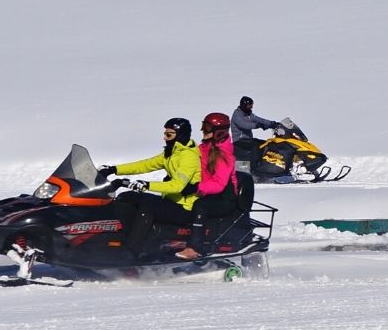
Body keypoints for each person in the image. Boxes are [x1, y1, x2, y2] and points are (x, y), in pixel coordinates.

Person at [99, 118, 200, 261]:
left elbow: (177, 186)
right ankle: (112, 240)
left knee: (148, 207)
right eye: (165, 134)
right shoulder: (172, 152)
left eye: (169, 135)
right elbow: (146, 164)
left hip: (184, 208)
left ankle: (133, 252)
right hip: (171, 202)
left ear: (180, 135)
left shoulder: (189, 157)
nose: (164, 138)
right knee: (128, 197)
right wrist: (114, 169)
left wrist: (147, 185)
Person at [175, 113, 242, 261]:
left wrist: (196, 187)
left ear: (220, 132)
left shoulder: (225, 154)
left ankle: (194, 248)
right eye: (203, 126)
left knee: (200, 206)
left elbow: (218, 184)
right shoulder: (203, 148)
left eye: (207, 127)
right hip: (210, 194)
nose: (203, 130)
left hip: (225, 199)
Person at [231, 96, 283, 166]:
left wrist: (272, 123)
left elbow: (259, 119)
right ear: (244, 105)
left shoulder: (248, 114)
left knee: (264, 143)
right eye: (249, 106)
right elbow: (244, 125)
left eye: (252, 106)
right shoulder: (237, 115)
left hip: (247, 139)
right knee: (255, 146)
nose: (251, 108)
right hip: (239, 140)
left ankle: (266, 163)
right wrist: (258, 125)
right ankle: (254, 166)